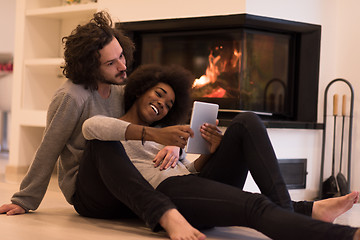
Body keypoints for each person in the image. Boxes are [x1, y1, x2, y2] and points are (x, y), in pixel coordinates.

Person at [82, 63, 360, 240]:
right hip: (169, 193)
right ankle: (343, 235)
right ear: (141, 90)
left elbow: (187, 172)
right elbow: (91, 127)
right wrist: (156, 134)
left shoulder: (166, 141)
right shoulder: (111, 132)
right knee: (253, 205)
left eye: (168, 105)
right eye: (158, 94)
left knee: (246, 121)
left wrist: (210, 153)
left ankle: (290, 214)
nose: (162, 105)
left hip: (188, 184)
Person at [0, 11, 204, 239]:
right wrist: (24, 200)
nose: (122, 66)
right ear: (90, 67)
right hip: (88, 188)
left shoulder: (121, 89)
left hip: (121, 182)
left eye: (121, 55)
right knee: (100, 141)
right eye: (111, 63)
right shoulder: (71, 97)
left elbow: (158, 121)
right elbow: (49, 149)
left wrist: (174, 145)